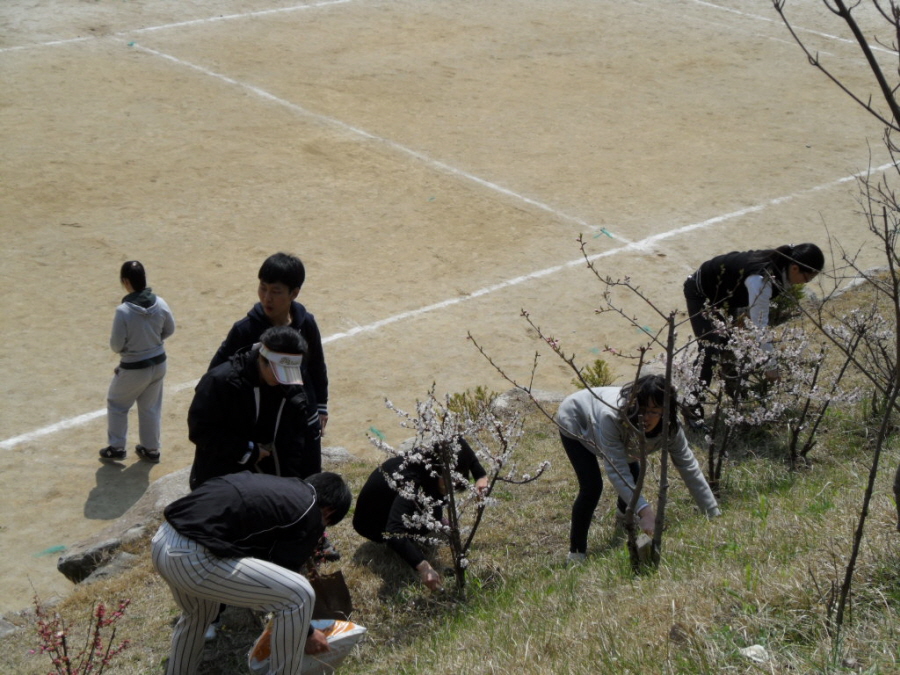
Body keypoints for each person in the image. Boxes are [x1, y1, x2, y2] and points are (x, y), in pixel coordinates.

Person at [151, 470, 352, 675]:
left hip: (163, 541)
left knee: (200, 613)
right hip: (192, 559)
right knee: (299, 595)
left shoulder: (280, 489)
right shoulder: (309, 510)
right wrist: (307, 633)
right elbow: (283, 572)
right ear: (328, 511)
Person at [556, 374, 720, 563]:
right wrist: (646, 512)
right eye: (641, 409)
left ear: (665, 411)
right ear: (632, 404)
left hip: (621, 436)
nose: (645, 417)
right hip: (578, 420)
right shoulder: (612, 416)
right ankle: (576, 553)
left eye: (653, 411)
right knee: (592, 487)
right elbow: (616, 469)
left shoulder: (671, 427)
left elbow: (688, 466)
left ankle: (623, 514)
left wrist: (711, 511)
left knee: (634, 472)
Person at [209, 252, 328, 477]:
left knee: (309, 478)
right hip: (264, 427)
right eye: (263, 288)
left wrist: (321, 404)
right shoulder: (244, 331)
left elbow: (316, 366)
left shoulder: (306, 324)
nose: (266, 298)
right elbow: (216, 374)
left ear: (294, 293)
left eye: (275, 291)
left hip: (303, 418)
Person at [683, 243, 824, 397]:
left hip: (727, 294)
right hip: (701, 291)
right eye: (807, 278)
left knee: (733, 343)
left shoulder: (782, 266)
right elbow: (760, 329)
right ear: (795, 268)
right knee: (710, 349)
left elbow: (754, 303)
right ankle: (692, 404)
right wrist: (771, 367)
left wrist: (748, 314)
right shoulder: (761, 280)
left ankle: (736, 393)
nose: (805, 283)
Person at [352, 437, 489, 591]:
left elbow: (460, 444)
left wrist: (481, 476)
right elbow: (394, 531)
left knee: (434, 514)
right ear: (436, 472)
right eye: (449, 479)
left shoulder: (441, 454)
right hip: (372, 523)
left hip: (396, 497)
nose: (454, 484)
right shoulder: (410, 483)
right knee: (425, 523)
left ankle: (429, 519)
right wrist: (424, 567)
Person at [187, 325, 311, 490]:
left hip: (271, 483)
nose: (282, 380)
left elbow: (295, 437)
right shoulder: (219, 382)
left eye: (289, 373)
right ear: (262, 358)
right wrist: (246, 451)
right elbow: (201, 431)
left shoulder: (291, 386)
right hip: (222, 482)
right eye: (278, 372)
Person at [99, 261, 175, 463]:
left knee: (117, 403)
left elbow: (116, 345)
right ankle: (151, 449)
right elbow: (170, 329)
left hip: (133, 367)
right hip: (159, 364)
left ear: (125, 281)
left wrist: (130, 350)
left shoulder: (123, 311)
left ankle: (116, 447)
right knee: (150, 407)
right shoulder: (161, 302)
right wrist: (154, 342)